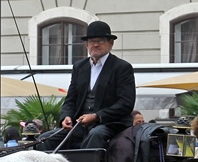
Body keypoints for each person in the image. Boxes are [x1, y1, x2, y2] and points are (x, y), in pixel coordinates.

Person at [38, 21, 136, 150]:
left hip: (109, 124)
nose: (95, 45)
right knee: (44, 140)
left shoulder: (122, 67)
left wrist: (96, 116)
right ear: (86, 45)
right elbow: (70, 100)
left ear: (110, 43)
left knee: (95, 135)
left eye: (100, 41)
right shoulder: (79, 67)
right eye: (91, 41)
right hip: (80, 125)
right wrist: (66, 117)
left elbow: (126, 103)